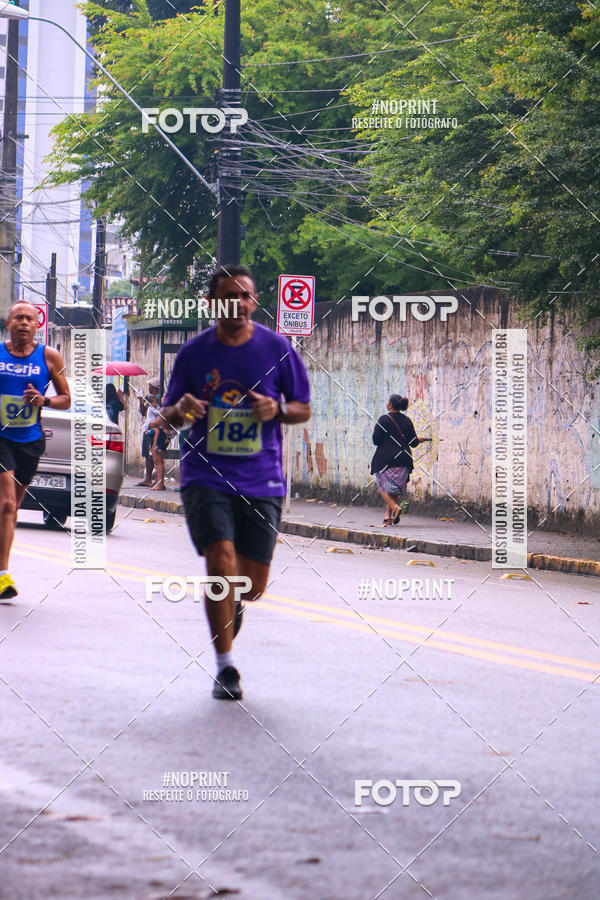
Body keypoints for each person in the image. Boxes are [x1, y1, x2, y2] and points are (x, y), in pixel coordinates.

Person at [160, 264, 311, 700]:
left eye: (245, 295)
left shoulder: (277, 348)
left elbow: (302, 408)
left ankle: (235, 605)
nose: (238, 303)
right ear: (212, 303)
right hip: (205, 473)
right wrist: (180, 409)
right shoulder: (193, 354)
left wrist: (276, 410)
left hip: (262, 478)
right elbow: (166, 417)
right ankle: (225, 668)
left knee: (253, 584)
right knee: (220, 560)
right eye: (229, 296)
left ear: (254, 301)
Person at [0, 301, 70, 599]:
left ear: (36, 325)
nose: (25, 323)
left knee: (12, 508)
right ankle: (3, 575)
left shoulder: (49, 356)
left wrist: (45, 401)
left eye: (30, 318)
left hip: (30, 440)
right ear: (9, 323)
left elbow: (66, 397)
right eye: (19, 318)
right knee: (5, 504)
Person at [370, 394, 431, 526]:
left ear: (390, 405)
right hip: (403, 458)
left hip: (386, 459)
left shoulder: (384, 420)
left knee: (382, 486)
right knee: (395, 487)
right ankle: (388, 517)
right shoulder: (407, 421)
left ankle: (395, 507)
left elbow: (376, 440)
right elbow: (413, 442)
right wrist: (418, 440)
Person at [136, 378, 160, 486]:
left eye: (150, 385)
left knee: (153, 454)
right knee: (147, 453)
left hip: (154, 428)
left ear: (155, 387)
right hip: (148, 427)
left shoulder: (159, 399)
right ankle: (148, 478)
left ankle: (155, 479)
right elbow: (143, 412)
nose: (148, 387)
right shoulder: (148, 398)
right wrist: (141, 400)